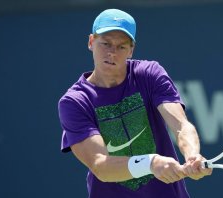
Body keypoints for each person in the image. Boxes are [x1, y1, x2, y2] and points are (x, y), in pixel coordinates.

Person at [58, 8, 212, 198]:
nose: (112, 53)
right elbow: (100, 165)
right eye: (105, 44)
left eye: (121, 46)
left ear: (131, 50)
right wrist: (151, 163)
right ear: (91, 42)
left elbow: (180, 125)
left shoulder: (149, 74)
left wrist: (192, 155)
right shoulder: (74, 102)